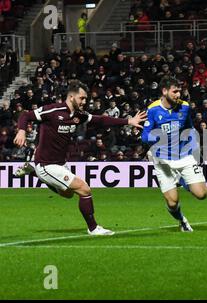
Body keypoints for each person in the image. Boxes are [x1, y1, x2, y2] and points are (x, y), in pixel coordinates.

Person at [13, 80, 147, 235]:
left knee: (68, 194)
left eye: (85, 99)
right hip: (46, 164)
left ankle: (32, 172)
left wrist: (128, 121)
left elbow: (101, 120)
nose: (84, 102)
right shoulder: (53, 110)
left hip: (61, 164)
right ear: (71, 97)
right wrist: (21, 131)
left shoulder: (79, 115)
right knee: (84, 189)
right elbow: (25, 115)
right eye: (82, 98)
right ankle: (93, 228)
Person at [141, 76, 207, 232]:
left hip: (184, 155)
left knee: (201, 194)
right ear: (165, 91)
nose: (179, 94)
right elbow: (145, 136)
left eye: (180, 91)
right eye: (175, 91)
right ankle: (182, 220)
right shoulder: (153, 109)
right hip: (162, 159)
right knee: (172, 203)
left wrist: (195, 147)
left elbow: (190, 128)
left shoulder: (184, 107)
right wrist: (159, 137)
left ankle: (181, 179)